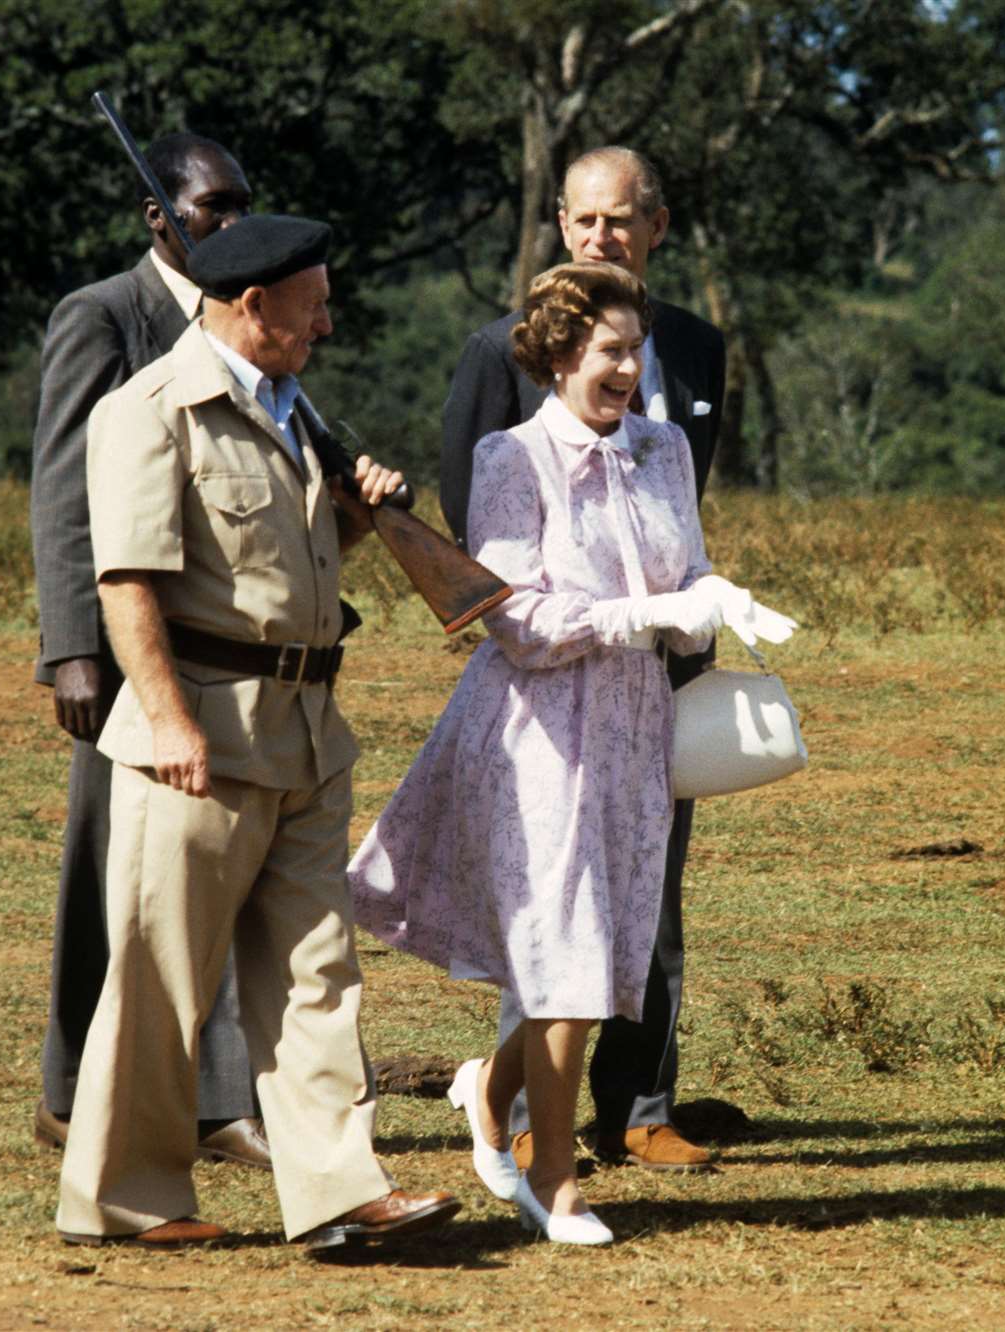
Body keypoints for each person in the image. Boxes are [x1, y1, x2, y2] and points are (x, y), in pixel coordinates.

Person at [349, 262, 794, 1245]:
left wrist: (714, 602)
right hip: (539, 731)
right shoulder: (515, 459)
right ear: (557, 355)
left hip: (638, 728)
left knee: (602, 951)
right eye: (609, 351)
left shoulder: (667, 449)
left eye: (636, 349)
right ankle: (553, 1179)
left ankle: (490, 1091)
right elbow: (522, 625)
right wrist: (652, 612)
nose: (629, 368)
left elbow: (690, 564)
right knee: (568, 957)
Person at [55, 214, 460, 1256]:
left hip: (308, 733)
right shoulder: (147, 413)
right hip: (199, 735)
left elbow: (293, 566)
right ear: (251, 306)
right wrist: (168, 721)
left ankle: (337, 1191)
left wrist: (362, 516)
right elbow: (129, 583)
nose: (327, 323)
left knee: (318, 971)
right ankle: (125, 1197)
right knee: (163, 977)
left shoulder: (288, 410)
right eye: (312, 303)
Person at [440, 146, 726, 1173]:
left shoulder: (696, 347)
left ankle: (641, 1102)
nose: (602, 236)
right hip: (551, 670)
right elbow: (473, 525)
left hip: (661, 670)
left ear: (657, 225)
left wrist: (685, 611)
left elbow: (685, 498)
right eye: (585, 221)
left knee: (650, 887)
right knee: (553, 893)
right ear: (561, 225)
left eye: (623, 220)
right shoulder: (496, 353)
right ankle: (521, 1116)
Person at [30, 131, 270, 1169]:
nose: (231, 221)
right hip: (128, 649)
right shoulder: (104, 316)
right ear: (157, 215)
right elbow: (62, 492)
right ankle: (70, 1092)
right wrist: (74, 649)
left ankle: (219, 1100)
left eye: (239, 204)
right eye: (214, 205)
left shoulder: (245, 320)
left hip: (227, 649)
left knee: (210, 872)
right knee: (105, 868)